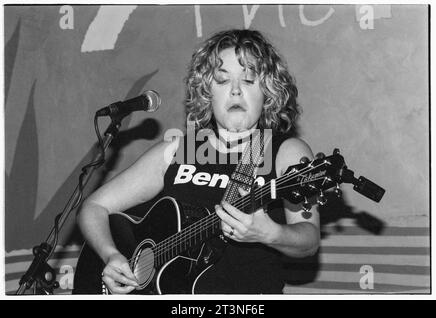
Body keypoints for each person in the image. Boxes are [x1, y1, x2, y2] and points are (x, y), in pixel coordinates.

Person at [77, 29, 320, 294]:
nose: (236, 92)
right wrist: (111, 255)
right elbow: (94, 207)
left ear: (268, 92)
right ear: (207, 91)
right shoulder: (177, 150)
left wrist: (270, 234)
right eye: (222, 80)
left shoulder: (287, 152)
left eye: (249, 80)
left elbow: (308, 240)